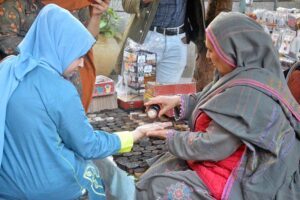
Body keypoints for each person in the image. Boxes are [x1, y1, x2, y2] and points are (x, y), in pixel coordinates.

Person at [0, 4, 171, 199]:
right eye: (78, 56)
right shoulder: (59, 89)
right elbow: (87, 145)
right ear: (59, 47)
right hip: (51, 189)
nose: (82, 63)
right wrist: (132, 135)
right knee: (101, 176)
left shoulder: (8, 69)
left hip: (7, 186)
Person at [133, 12, 300, 199]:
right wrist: (179, 102)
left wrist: (170, 136)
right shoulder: (240, 72)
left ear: (233, 51)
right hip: (222, 158)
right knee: (160, 169)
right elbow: (214, 98)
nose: (209, 57)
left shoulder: (249, 96)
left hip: (240, 176)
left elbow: (214, 146)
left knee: (157, 186)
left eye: (212, 50)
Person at [0, 0, 110, 112]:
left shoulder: (78, 2)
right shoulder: (16, 4)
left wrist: (96, 15)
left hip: (68, 75)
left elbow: (85, 42)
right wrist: (47, 52)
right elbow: (5, 40)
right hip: (27, 74)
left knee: (69, 116)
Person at [119, 0, 205, 84]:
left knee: (166, 94)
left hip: (177, 42)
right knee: (137, 92)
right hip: (147, 39)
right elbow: (127, 4)